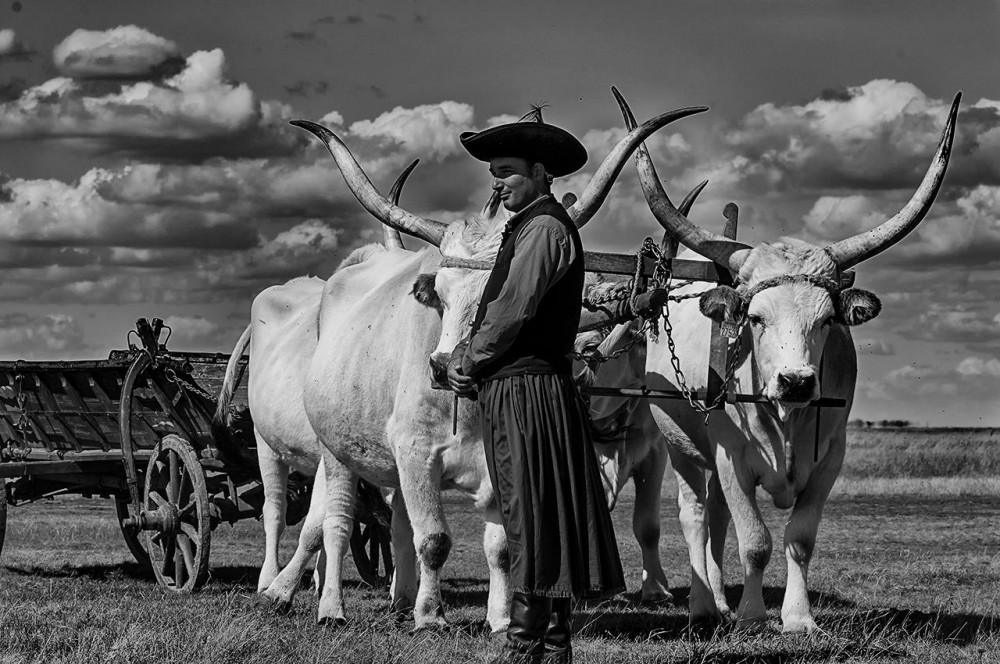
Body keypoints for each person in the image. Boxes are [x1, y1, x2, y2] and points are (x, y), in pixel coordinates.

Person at [448, 110, 625, 664]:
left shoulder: (545, 227)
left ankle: (526, 647)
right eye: (493, 173)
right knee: (538, 511)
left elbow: (513, 308)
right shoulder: (529, 225)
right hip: (523, 389)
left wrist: (469, 358)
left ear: (542, 172)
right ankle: (550, 646)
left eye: (506, 171)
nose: (496, 182)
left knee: (531, 513)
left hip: (528, 392)